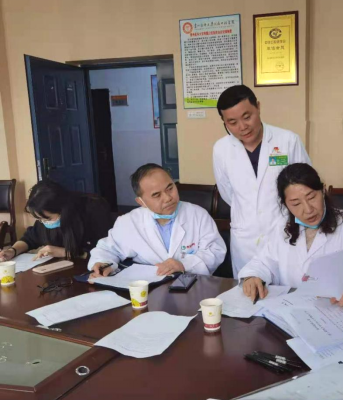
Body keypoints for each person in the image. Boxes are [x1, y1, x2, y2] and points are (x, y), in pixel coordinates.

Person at [238, 163, 343, 306]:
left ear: (323, 190)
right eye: (296, 204)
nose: (308, 210)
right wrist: (253, 276)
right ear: (286, 205)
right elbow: (264, 262)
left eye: (312, 197)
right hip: (291, 310)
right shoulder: (282, 228)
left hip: (336, 310)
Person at [213, 85, 311, 278]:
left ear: (258, 107)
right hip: (245, 241)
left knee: (288, 289)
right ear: (224, 122)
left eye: (247, 117)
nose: (242, 127)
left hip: (284, 233)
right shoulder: (221, 149)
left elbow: (306, 185)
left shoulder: (288, 140)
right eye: (232, 122)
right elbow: (227, 192)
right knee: (249, 291)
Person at [88, 164, 226, 278]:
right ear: (141, 202)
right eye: (156, 195)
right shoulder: (129, 222)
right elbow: (107, 249)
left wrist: (183, 264)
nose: (168, 198)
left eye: (170, 188)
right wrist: (103, 263)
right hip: (149, 289)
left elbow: (215, 251)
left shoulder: (198, 215)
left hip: (193, 285)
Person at [0, 180, 112, 261]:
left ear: (62, 209)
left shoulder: (93, 210)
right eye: (39, 219)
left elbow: (107, 252)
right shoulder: (44, 216)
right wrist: (12, 251)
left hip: (92, 269)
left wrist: (65, 252)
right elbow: (30, 238)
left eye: (47, 218)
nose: (43, 222)